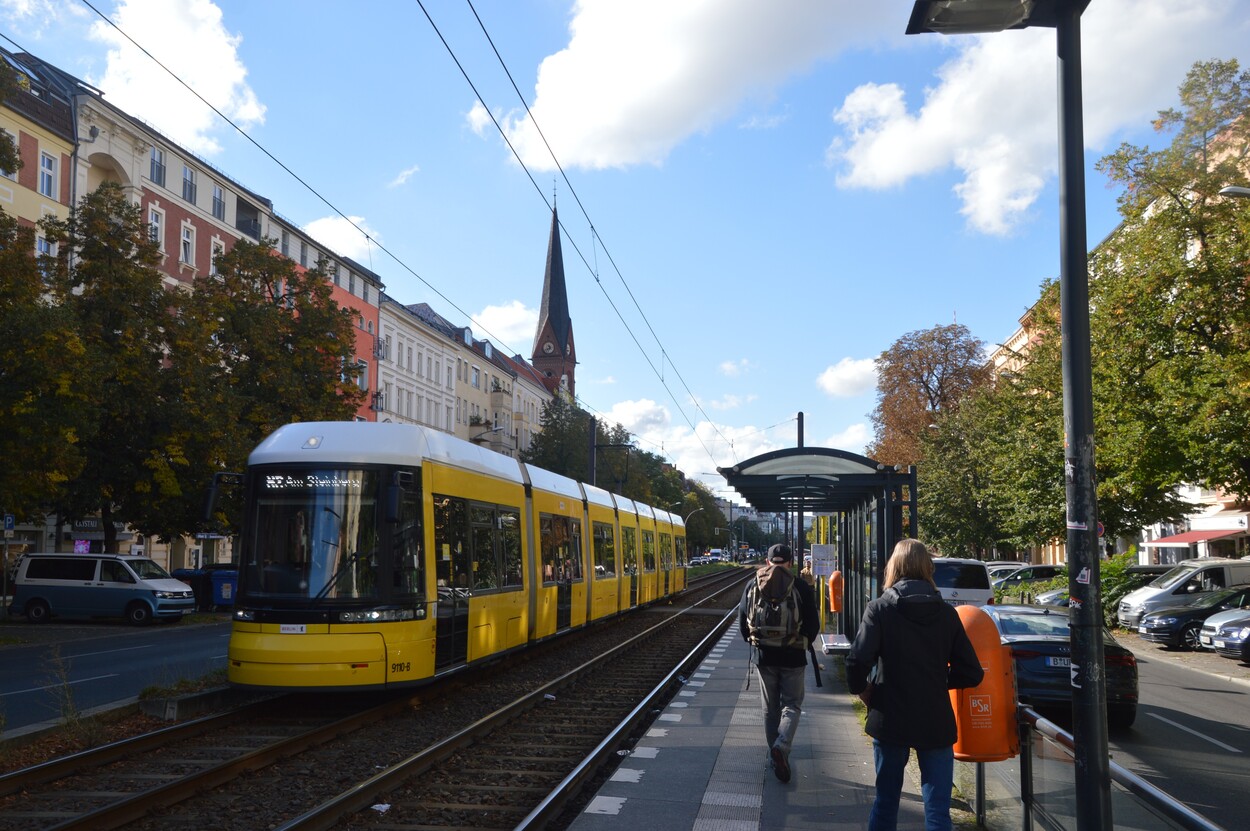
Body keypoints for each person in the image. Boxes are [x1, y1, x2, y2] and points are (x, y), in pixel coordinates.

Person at [846, 539, 984, 831]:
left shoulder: (880, 609)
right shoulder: (946, 614)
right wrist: (939, 681)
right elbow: (972, 672)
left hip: (890, 715)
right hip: (935, 718)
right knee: (937, 810)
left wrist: (864, 690)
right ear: (927, 567)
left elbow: (857, 660)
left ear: (893, 567)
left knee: (885, 802)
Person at [738, 543, 819, 784]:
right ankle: (782, 745)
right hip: (794, 657)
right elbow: (813, 626)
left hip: (765, 657)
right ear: (790, 563)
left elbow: (743, 624)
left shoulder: (753, 584)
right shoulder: (801, 586)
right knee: (792, 705)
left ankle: (775, 757)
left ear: (767, 561)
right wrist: (799, 641)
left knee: (769, 708)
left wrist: (758, 642)